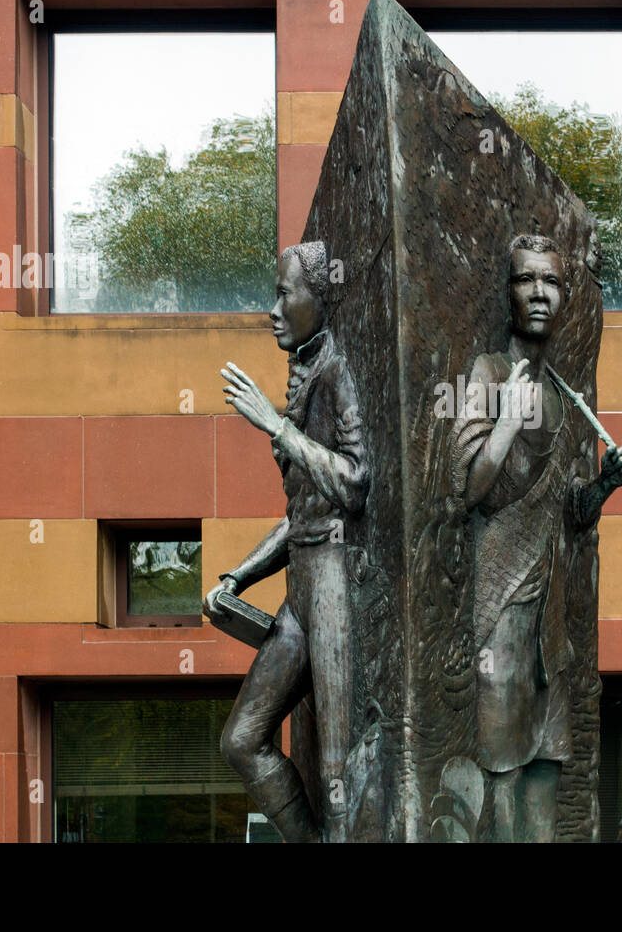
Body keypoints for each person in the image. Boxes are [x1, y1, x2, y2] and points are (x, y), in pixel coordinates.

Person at [452, 233, 622, 841]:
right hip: (500, 609)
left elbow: (571, 514)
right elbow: (468, 489)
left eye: (551, 282)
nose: (539, 292)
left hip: (548, 625)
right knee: (502, 771)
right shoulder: (488, 373)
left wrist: (605, 484)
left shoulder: (562, 391)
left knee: (544, 770)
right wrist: (507, 420)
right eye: (526, 279)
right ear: (508, 292)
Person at [203, 241, 369, 843]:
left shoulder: (337, 372)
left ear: (319, 299)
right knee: (242, 740)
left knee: (337, 770)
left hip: (330, 586)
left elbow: (355, 481)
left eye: (284, 292)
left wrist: (276, 426)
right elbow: (299, 513)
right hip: (301, 588)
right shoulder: (304, 371)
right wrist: (240, 577)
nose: (272, 308)